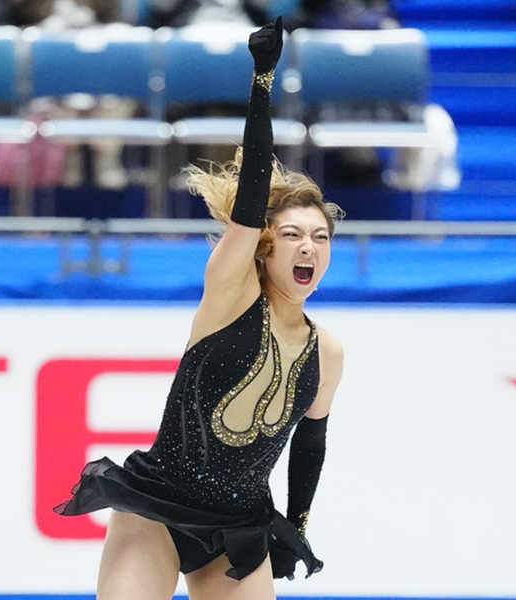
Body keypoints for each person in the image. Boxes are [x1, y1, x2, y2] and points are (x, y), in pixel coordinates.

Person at [54, 18, 345, 600]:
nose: (309, 245)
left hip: (239, 526)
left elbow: (310, 445)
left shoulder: (327, 352)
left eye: (320, 236)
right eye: (292, 234)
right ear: (265, 248)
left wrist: (298, 525)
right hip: (157, 508)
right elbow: (253, 197)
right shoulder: (232, 291)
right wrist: (263, 81)